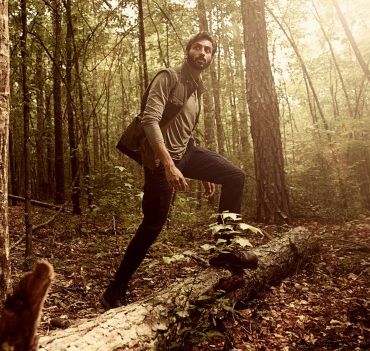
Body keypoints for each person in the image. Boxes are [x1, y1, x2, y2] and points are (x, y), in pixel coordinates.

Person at [100, 31, 257, 310]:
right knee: (152, 225)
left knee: (235, 176)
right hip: (161, 161)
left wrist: (205, 173)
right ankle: (115, 289)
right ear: (188, 51)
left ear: (212, 57)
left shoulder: (197, 88)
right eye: (197, 47)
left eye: (208, 50)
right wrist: (169, 164)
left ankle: (224, 249)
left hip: (187, 153)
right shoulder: (168, 77)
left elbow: (184, 130)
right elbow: (150, 120)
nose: (202, 53)